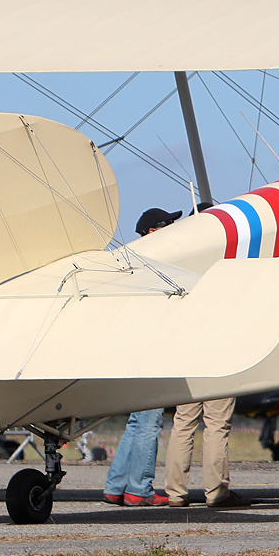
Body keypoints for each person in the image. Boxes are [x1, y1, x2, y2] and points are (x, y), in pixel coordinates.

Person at [101, 207, 182, 506]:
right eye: (167, 225)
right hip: (152, 348)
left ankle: (116, 485)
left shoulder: (129, 260)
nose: (174, 229)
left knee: (136, 421)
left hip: (130, 348)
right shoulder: (155, 263)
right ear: (153, 231)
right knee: (150, 421)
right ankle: (140, 489)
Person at [164, 398, 249, 508]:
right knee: (217, 425)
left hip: (189, 382)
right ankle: (216, 493)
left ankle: (175, 494)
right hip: (217, 381)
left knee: (183, 425)